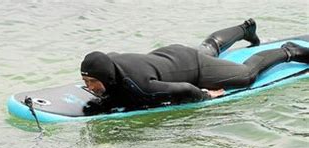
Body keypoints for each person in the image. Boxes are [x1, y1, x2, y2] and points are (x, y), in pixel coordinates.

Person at [80, 19, 309, 114]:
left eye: (92, 82)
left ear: (108, 77)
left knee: (246, 75)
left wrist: (206, 96)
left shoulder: (141, 86)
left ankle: (289, 51)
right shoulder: (108, 64)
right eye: (86, 82)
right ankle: (245, 29)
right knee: (209, 48)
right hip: (169, 55)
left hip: (192, 67)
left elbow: (184, 90)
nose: (89, 87)